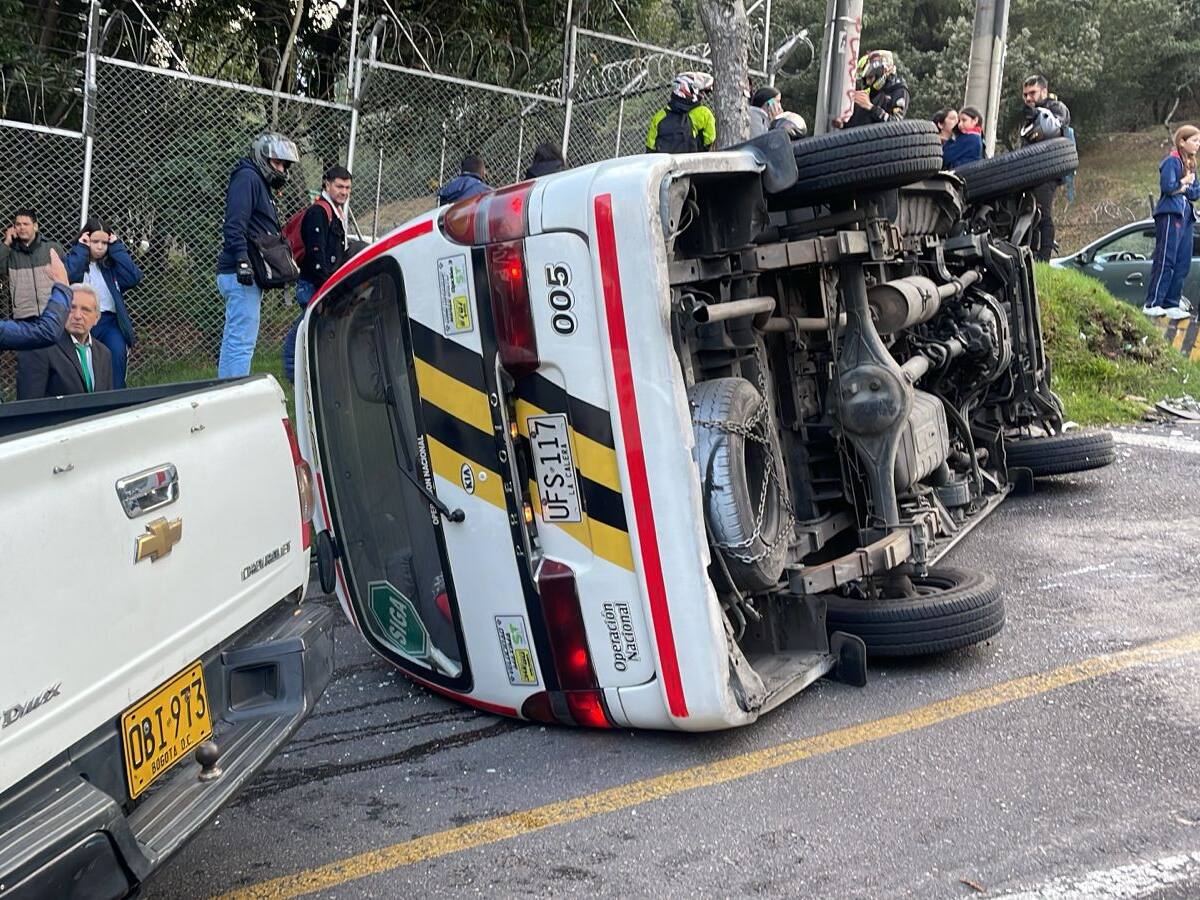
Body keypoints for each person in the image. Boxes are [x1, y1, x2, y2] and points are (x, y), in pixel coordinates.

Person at [216, 132, 300, 379]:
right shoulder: (247, 178)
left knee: (238, 340)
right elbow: (234, 224)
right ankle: (232, 397)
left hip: (245, 272)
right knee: (240, 343)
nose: (282, 169)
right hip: (240, 272)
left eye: (284, 164)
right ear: (262, 157)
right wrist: (242, 260)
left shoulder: (257, 181)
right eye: (277, 163)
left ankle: (227, 392)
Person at [282, 165, 353, 383]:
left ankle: (310, 377)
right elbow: (316, 257)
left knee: (315, 332)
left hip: (320, 284)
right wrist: (327, 288)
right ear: (327, 185)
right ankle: (294, 373)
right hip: (314, 285)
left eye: (348, 188)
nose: (344, 192)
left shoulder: (334, 212)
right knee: (305, 332)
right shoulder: (319, 212)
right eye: (339, 186)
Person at [64, 218, 142, 389]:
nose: (100, 247)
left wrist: (117, 248)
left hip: (108, 322)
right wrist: (81, 249)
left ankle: (115, 400)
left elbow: (133, 277)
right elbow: (68, 276)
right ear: (85, 239)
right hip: (80, 321)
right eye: (95, 242)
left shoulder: (110, 266)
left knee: (116, 352)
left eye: (104, 243)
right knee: (82, 362)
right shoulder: (74, 260)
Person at [1143, 125, 1200, 320]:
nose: (1197, 145)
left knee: (1182, 262)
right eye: (1194, 141)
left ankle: (1171, 303)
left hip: (1186, 215)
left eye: (1199, 142)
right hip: (1170, 213)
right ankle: (1153, 302)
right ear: (1182, 142)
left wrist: (1183, 185)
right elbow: (1168, 186)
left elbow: (1195, 192)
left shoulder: (1191, 164)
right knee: (1166, 258)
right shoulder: (1171, 161)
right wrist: (1184, 183)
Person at [16, 283, 113, 399]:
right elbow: (29, 404)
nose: (77, 316)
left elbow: (107, 400)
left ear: (97, 318)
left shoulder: (104, 353)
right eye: (71, 308)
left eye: (85, 310)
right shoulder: (40, 348)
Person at [1021, 75, 1071, 261]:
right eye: (1025, 94)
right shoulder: (1028, 114)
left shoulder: (1057, 108)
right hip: (1030, 170)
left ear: (1044, 90)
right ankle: (1031, 254)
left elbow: (1054, 127)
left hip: (1049, 170)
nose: (1028, 98)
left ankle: (1044, 256)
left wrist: (1037, 114)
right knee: (1029, 212)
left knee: (1043, 213)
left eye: (1032, 93)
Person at [0, 246, 70, 354]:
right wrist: (62, 286)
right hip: (25, 315)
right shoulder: (13, 255)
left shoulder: (48, 247)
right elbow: (47, 331)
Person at [646, 72, 717, 153]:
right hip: (694, 163)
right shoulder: (704, 114)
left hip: (665, 164)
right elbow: (710, 141)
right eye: (700, 92)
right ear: (688, 89)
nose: (703, 96)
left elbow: (650, 149)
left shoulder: (659, 117)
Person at [845, 51, 909, 128]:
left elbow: (896, 124)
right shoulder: (870, 91)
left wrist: (871, 107)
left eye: (870, 77)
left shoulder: (898, 90)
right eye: (865, 79)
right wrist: (843, 124)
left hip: (882, 139)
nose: (867, 83)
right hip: (861, 137)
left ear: (882, 72)